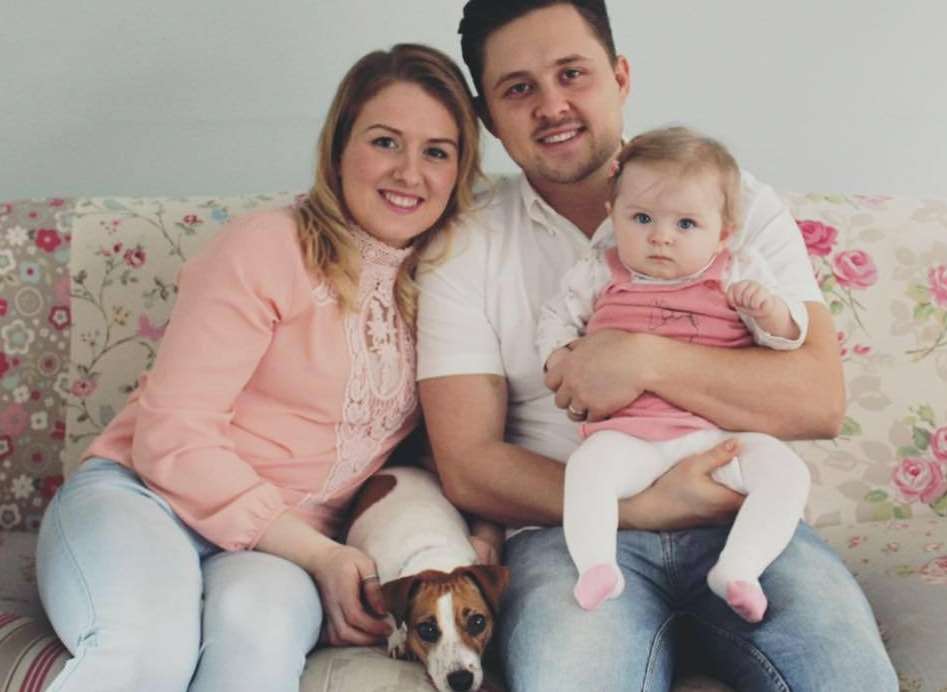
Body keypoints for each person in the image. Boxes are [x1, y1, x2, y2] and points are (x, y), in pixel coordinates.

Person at [416, 1, 898, 690]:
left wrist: (645, 359)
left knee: (844, 677)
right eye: (518, 88)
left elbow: (817, 401)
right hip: (569, 535)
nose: (552, 105)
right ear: (487, 115)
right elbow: (468, 464)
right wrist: (638, 508)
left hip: (738, 514)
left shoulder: (737, 207)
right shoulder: (464, 246)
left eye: (572, 73)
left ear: (619, 76)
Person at [35, 43, 483, 692]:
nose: (410, 172)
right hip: (145, 500)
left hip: (277, 550)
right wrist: (323, 557)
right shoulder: (267, 246)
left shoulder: (447, 288)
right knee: (146, 650)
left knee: (259, 644)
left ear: (459, 171)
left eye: (437, 152)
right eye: (386, 142)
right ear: (338, 148)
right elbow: (171, 437)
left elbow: (460, 448)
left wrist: (487, 534)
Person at [536, 126, 812, 620]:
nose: (661, 236)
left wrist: (770, 312)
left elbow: (788, 339)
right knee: (588, 469)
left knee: (787, 472)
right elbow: (556, 316)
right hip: (632, 437)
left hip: (720, 437)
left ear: (723, 232)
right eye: (641, 218)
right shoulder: (600, 270)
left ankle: (740, 567)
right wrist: (557, 355)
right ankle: (597, 565)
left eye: (686, 224)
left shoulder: (737, 270)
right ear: (612, 216)